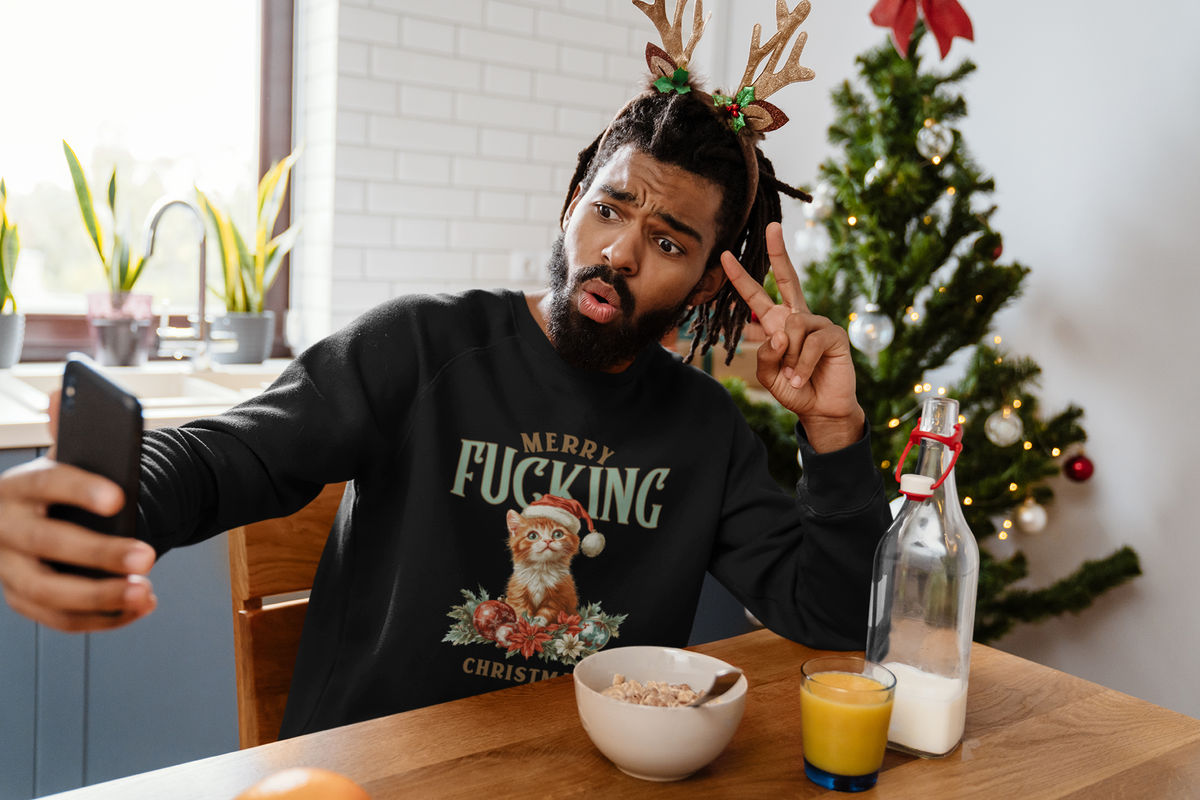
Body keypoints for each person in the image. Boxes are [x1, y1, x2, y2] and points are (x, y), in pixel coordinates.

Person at [0, 42, 889, 738]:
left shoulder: (703, 428)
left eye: (667, 243)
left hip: (587, 776)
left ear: (701, 288)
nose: (619, 252)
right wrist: (106, 502)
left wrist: (836, 434)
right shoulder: (423, 346)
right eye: (609, 209)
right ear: (571, 203)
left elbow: (834, 614)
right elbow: (232, 456)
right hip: (374, 770)